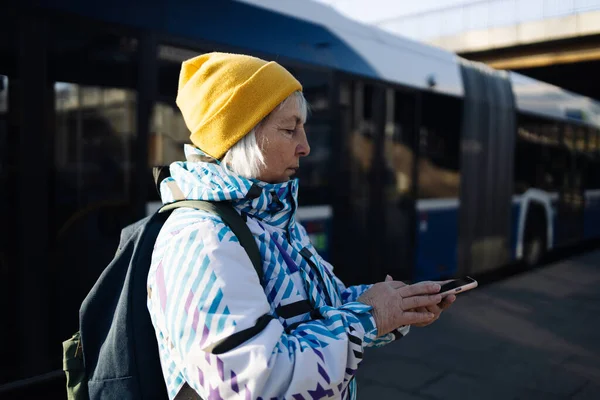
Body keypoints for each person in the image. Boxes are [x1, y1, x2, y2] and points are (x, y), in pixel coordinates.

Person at [147, 52, 456, 400]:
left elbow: (319, 309)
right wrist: (370, 316)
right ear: (241, 135)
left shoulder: (269, 217)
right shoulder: (204, 240)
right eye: (289, 128)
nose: (305, 146)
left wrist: (395, 308)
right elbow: (254, 384)